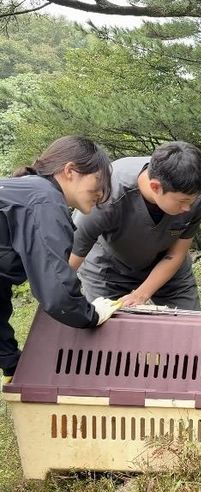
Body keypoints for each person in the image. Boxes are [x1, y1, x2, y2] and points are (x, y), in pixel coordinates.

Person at [0, 135, 122, 380]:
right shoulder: (44, 201)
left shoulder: (25, 192)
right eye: (98, 181)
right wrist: (92, 314)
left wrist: (12, 362)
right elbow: (57, 292)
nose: (101, 192)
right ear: (70, 171)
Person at [70, 141, 201, 310]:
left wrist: (141, 294)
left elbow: (176, 253)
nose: (188, 208)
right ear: (155, 187)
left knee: (191, 327)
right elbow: (71, 259)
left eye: (192, 201)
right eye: (183, 202)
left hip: (166, 266)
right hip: (107, 267)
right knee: (108, 329)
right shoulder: (106, 194)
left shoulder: (194, 192)